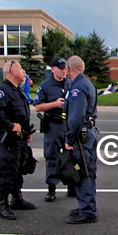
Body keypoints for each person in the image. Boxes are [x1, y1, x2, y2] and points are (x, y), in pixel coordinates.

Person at [0, 61, 36, 220]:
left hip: (20, 139)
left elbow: (20, 114)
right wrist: (10, 125)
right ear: (12, 72)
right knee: (8, 170)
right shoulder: (3, 91)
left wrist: (26, 132)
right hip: (9, 140)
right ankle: (3, 205)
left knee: (18, 169)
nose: (24, 71)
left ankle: (17, 199)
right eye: (21, 69)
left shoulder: (16, 91)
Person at [32, 56, 75, 202]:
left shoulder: (70, 83)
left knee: (71, 155)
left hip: (68, 124)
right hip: (53, 125)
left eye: (65, 68)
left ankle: (71, 185)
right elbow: (37, 106)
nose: (64, 71)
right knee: (52, 156)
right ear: (53, 69)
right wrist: (55, 104)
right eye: (61, 68)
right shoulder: (45, 86)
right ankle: (51, 188)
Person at [64, 56, 98, 224]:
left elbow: (76, 118)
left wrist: (69, 139)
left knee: (82, 171)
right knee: (88, 170)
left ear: (69, 69)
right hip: (88, 133)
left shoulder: (78, 88)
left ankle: (88, 211)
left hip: (81, 137)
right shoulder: (87, 84)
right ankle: (86, 205)